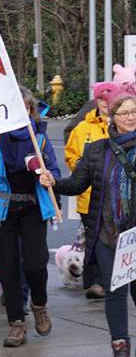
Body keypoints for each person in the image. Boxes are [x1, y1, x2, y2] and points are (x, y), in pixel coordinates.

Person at [0, 87, 60, 347]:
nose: (20, 114)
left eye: (25, 109)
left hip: (32, 208)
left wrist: (49, 177)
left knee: (35, 264)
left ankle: (39, 305)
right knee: (7, 268)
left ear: (31, 111)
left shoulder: (39, 140)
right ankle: (16, 323)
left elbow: (55, 173)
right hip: (2, 211)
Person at [51, 91, 136, 357]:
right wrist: (52, 182)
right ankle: (120, 351)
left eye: (134, 111)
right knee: (114, 293)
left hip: (135, 236)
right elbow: (77, 184)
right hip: (107, 234)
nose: (130, 117)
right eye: (124, 113)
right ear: (112, 118)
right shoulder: (97, 149)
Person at [64, 81, 120, 300]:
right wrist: (83, 167)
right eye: (102, 100)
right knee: (95, 239)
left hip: (118, 197)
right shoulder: (83, 128)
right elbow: (71, 156)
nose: (106, 104)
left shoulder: (121, 123)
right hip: (90, 197)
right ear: (95, 101)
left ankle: (114, 279)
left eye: (109, 100)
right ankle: (95, 282)